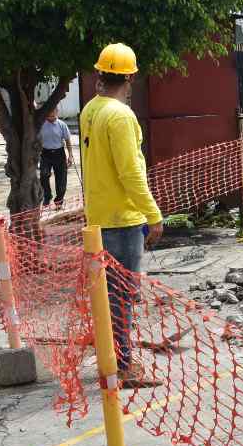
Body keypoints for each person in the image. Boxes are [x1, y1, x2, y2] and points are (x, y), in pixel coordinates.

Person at [80, 43, 163, 388]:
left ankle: (112, 357)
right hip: (122, 221)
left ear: (100, 74)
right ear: (130, 77)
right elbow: (131, 174)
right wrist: (153, 214)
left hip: (98, 218)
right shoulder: (120, 115)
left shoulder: (90, 110)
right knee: (122, 296)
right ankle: (122, 366)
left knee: (108, 296)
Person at [38, 105, 74, 209]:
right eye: (49, 114)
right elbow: (37, 140)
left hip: (59, 153)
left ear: (57, 112)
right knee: (44, 175)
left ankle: (59, 201)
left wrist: (70, 155)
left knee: (61, 179)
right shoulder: (41, 125)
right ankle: (47, 195)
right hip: (45, 153)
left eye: (53, 113)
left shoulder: (62, 125)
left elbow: (68, 141)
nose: (51, 117)